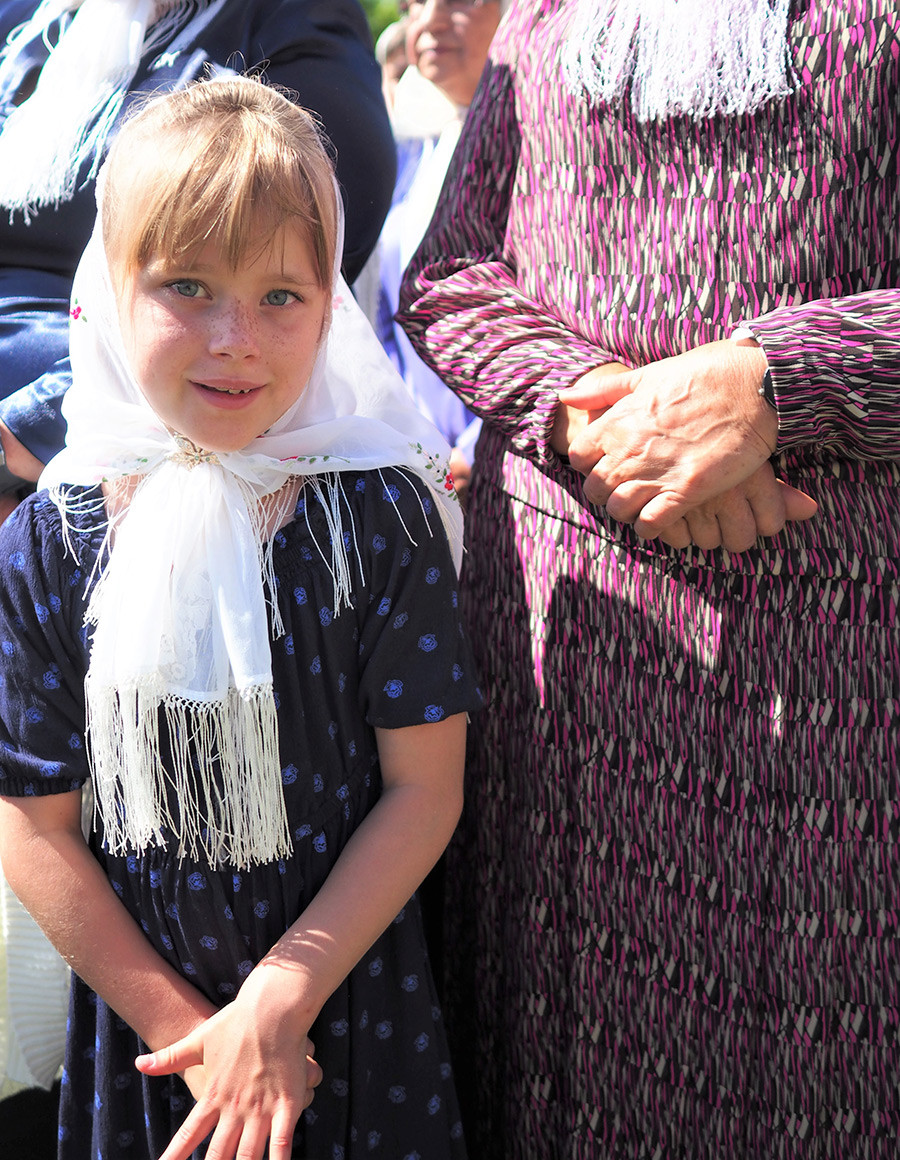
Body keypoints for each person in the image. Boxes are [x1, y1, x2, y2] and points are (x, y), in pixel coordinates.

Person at [398, 1, 900, 1157]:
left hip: (839, 703)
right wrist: (599, 410)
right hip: (565, 674)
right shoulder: (548, 10)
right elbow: (449, 276)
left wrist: (776, 385)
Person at [0, 76, 482, 1160]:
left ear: (333, 302)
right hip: (153, 1040)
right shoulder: (51, 538)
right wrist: (198, 1038)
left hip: (346, 1007)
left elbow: (424, 786)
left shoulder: (375, 511)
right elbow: (32, 825)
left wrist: (279, 998)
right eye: (187, 285)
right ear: (108, 293)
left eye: (281, 295)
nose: (235, 338)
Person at [0, 0, 396, 514]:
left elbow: (291, 280)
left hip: (109, 431)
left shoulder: (289, 20)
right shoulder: (26, 20)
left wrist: (29, 430)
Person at [377, 0, 501, 501]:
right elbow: (385, 307)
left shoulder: (541, 154)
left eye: (457, 1)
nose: (427, 21)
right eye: (413, 5)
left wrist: (472, 451)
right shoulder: (417, 147)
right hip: (416, 461)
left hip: (503, 467)